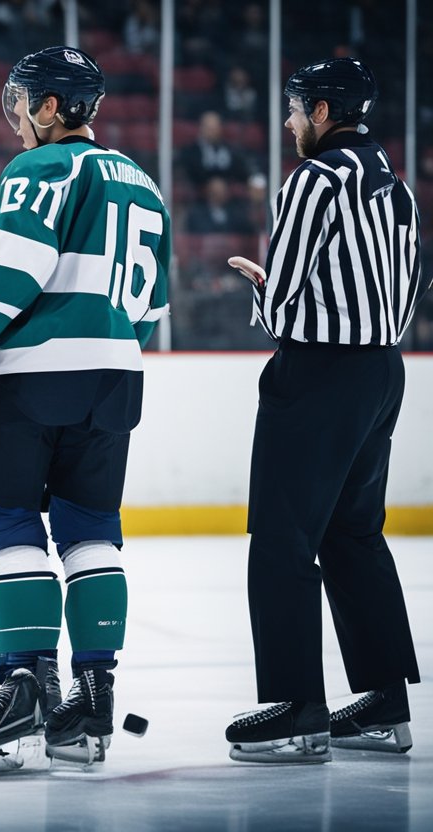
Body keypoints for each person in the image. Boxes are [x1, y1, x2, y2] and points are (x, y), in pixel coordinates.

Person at [0, 47, 170, 778]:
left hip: (33, 375)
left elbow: (12, 265)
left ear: (53, 107)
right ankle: (89, 704)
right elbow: (152, 305)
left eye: (24, 101)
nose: (18, 115)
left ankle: (24, 689)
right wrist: (107, 345)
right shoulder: (144, 183)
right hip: (115, 376)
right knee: (91, 530)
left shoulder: (43, 169)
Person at [223, 58, 424, 764]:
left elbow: (282, 306)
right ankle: (383, 703)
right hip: (382, 372)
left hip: (316, 376)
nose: (288, 123)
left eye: (294, 109)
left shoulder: (314, 179)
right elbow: (407, 287)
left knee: (281, 537)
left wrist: (262, 283)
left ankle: (296, 709)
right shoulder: (396, 188)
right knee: (354, 536)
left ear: (320, 111)